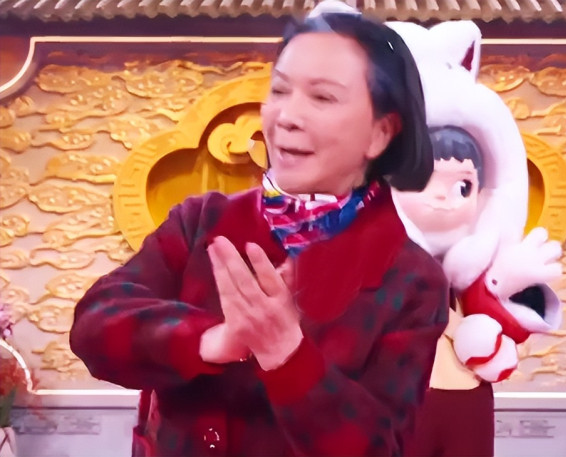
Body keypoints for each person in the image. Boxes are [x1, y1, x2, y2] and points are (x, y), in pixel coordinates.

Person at [69, 3, 449, 456]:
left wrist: (286, 353)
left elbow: (380, 448)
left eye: (322, 98)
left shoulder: (412, 280)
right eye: (280, 90)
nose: (286, 116)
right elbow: (94, 324)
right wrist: (210, 339)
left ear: (380, 133)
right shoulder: (201, 221)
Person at [388, 21, 563, 457]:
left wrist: (505, 284)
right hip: (392, 397)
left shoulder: (472, 269)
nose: (444, 198)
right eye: (420, 179)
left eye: (463, 185)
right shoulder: (367, 263)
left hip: (465, 393)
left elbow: (506, 324)